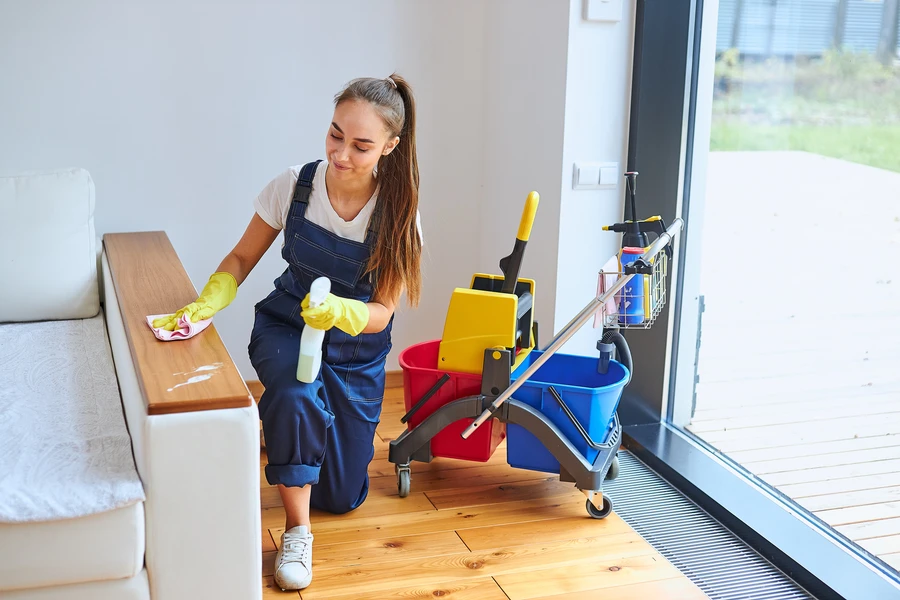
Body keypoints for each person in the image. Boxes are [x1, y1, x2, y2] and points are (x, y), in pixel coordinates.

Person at [152, 73, 423, 591]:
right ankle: (297, 532)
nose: (342, 154)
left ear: (389, 146)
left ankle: (286, 436)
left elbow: (383, 312)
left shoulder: (398, 216)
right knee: (296, 392)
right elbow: (240, 256)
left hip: (355, 349)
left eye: (361, 145)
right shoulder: (295, 186)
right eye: (335, 134)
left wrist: (341, 313)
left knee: (340, 496)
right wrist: (209, 300)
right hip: (286, 326)